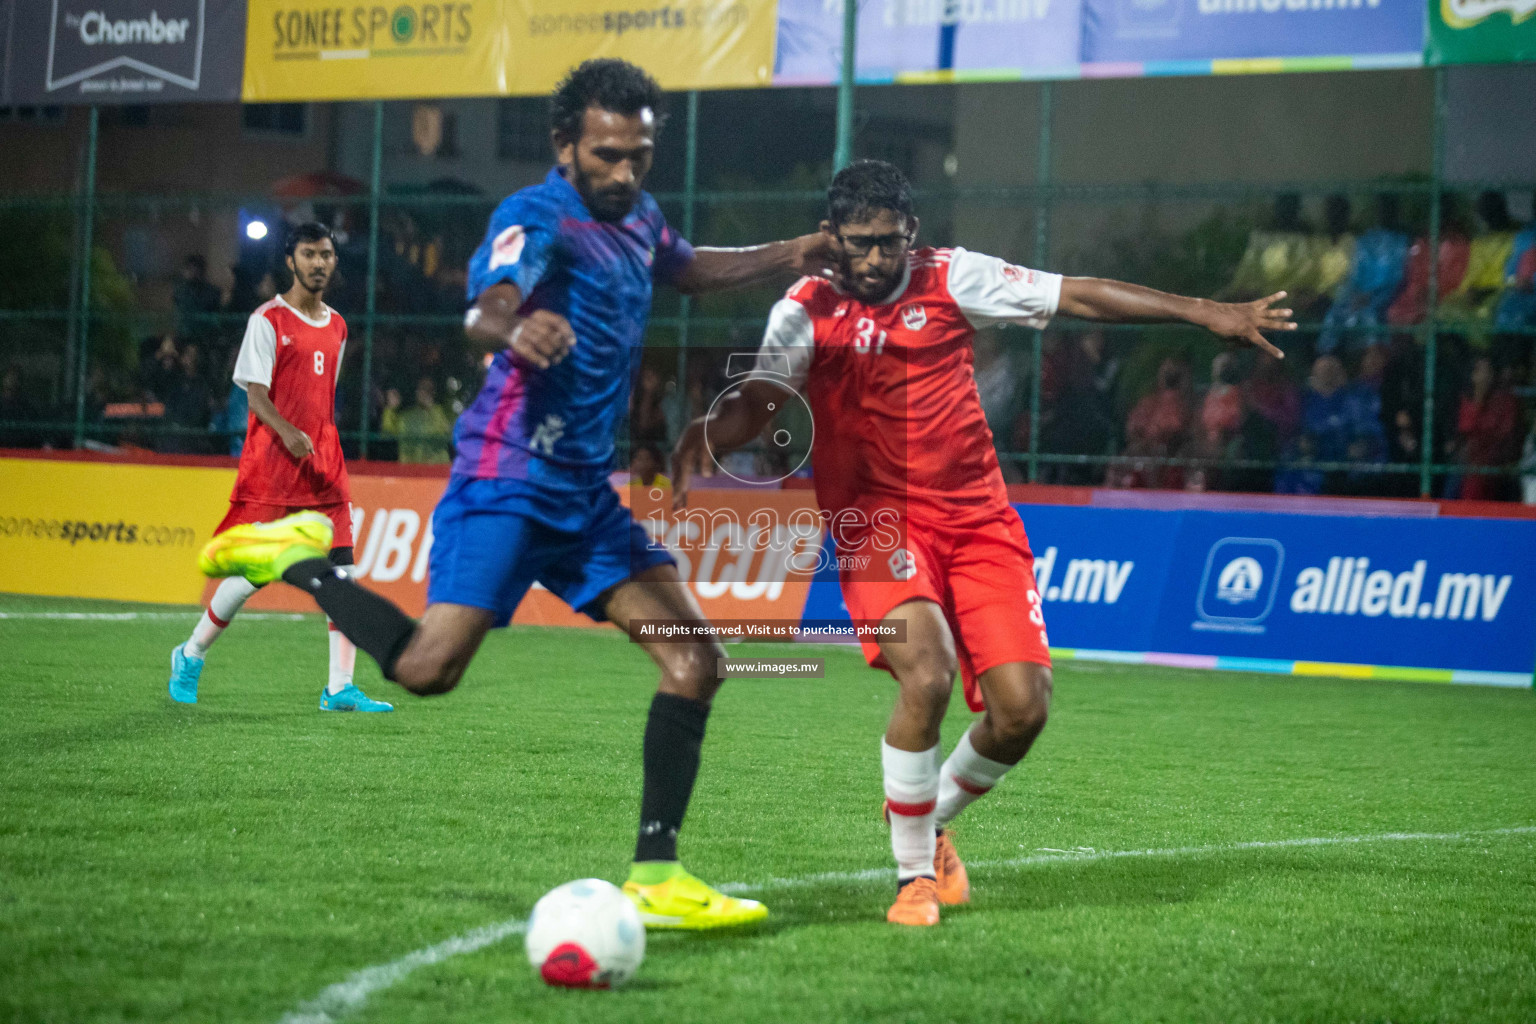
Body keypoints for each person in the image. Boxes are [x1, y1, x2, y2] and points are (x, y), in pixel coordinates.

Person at [195, 60, 836, 928]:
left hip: (585, 495)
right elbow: (485, 307)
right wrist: (513, 323)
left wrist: (796, 252)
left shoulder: (640, 216)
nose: (625, 172)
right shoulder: (535, 214)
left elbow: (688, 270)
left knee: (695, 663)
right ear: (565, 145)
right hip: (508, 479)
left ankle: (657, 877)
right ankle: (299, 564)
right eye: (608, 155)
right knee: (426, 669)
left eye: (639, 156)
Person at [670, 160, 1292, 927]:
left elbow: (1077, 294)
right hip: (879, 525)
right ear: (832, 237)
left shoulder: (953, 278)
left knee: (1023, 710)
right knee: (925, 677)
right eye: (859, 243)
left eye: (888, 243)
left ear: (913, 235)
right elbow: (766, 399)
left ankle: (923, 821)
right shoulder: (805, 308)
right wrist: (712, 430)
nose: (874, 259)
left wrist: (1203, 312)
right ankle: (911, 880)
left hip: (978, 522)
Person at [168, 222, 392, 713]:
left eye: (327, 254)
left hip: (324, 468)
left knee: (343, 575)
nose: (319, 263)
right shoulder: (267, 320)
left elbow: (322, 399)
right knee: (252, 578)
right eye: (309, 254)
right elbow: (254, 393)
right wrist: (288, 431)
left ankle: (339, 688)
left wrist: (320, 442)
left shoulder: (338, 325)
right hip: (275, 468)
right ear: (291, 261)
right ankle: (190, 653)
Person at [1455, 355, 1522, 501]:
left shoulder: (1505, 401)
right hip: (1473, 465)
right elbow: (1467, 430)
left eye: (1488, 371)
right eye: (1480, 371)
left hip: (1499, 463)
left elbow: (1504, 434)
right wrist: (1479, 397)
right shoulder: (1468, 399)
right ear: (1473, 375)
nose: (1484, 376)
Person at [382, 376, 453, 464]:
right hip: (410, 469)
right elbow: (387, 432)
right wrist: (391, 409)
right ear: (417, 392)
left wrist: (431, 408)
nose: (424, 393)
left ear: (434, 392)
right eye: (422, 389)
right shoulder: (406, 416)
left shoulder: (442, 412)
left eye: (428, 390)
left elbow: (446, 432)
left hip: (437, 469)